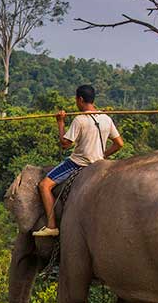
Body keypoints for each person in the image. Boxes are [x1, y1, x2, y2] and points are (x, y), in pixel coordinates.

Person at [32, 84, 124, 237]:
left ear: (80, 99)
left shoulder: (80, 119)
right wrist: (102, 155)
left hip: (77, 164)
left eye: (76, 99)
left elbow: (65, 144)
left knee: (44, 185)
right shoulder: (106, 118)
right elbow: (119, 144)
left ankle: (51, 226)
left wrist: (60, 122)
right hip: (98, 163)